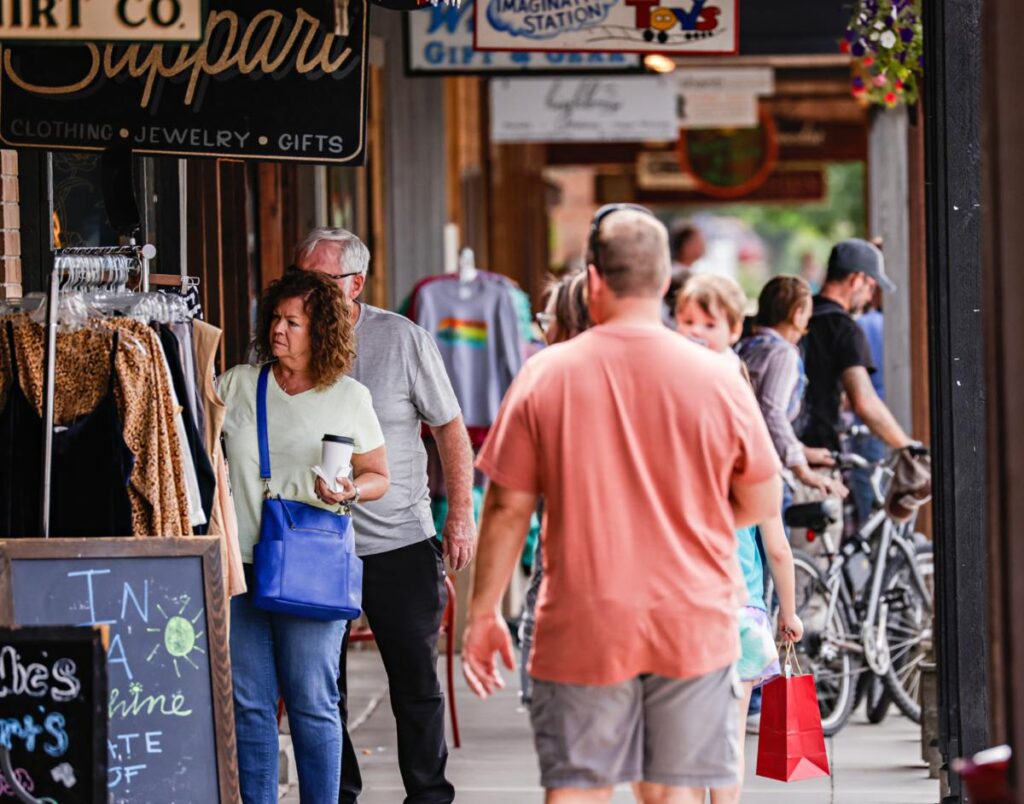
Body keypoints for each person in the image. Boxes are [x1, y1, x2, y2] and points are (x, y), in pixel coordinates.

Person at [463, 205, 782, 804]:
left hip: (583, 619)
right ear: (665, 282)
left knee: (579, 790)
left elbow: (507, 507)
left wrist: (483, 614)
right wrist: (688, 527)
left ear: (595, 279)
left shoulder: (545, 375)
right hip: (692, 618)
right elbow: (761, 496)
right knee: (675, 792)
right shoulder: (717, 377)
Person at [295, 228, 475, 804]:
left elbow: (449, 427)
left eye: (319, 282)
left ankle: (427, 796)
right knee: (324, 688)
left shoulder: (401, 339)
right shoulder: (283, 337)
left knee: (415, 683)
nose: (306, 293)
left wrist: (460, 516)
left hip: (398, 540)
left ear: (356, 285)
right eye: (301, 279)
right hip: (314, 541)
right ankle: (336, 793)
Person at [219, 270, 390, 804]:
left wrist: (347, 493)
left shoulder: (349, 397)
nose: (279, 330)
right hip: (242, 565)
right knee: (250, 703)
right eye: (275, 318)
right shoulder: (237, 385)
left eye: (294, 322)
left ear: (322, 332)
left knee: (313, 700)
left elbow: (379, 476)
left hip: (312, 564)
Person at [675, 275, 805, 804]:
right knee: (728, 739)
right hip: (743, 617)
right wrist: (789, 614)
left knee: (683, 742)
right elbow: (777, 547)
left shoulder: (672, 460)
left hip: (682, 611)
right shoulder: (752, 465)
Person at [520, 268, 590, 705]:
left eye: (547, 321)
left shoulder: (546, 376)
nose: (542, 331)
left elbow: (512, 498)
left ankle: (544, 690)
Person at [737, 276, 848, 499]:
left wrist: (804, 452)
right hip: (768, 474)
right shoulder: (783, 354)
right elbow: (772, 414)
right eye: (807, 314)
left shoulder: (747, 347)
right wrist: (803, 470)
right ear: (797, 314)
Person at [800, 238, 911, 453]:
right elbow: (864, 401)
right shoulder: (844, 327)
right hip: (819, 450)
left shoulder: (802, 313)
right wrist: (906, 446)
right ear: (856, 280)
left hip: (785, 449)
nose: (870, 296)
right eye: (871, 286)